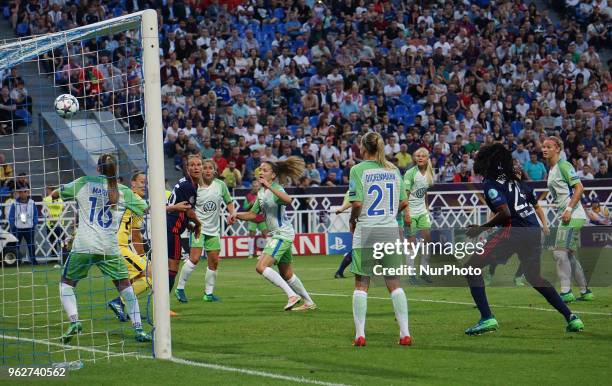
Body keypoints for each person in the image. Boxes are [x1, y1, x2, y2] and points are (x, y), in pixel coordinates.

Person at [464, 144, 583, 335]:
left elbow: (504, 213)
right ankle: (571, 317)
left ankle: (487, 318)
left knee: (470, 268)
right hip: (532, 229)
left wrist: (480, 229)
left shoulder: (490, 183)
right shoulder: (512, 179)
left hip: (513, 230)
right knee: (535, 277)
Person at [53, 154, 151, 343]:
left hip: (84, 245)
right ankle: (138, 329)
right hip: (109, 247)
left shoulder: (84, 182)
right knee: (125, 287)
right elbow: (145, 208)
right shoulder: (123, 191)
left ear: (98, 169)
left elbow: (57, 194)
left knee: (66, 283)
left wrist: (56, 193)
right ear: (116, 170)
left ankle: (74, 320)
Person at [348, 132, 411, 346]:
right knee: (394, 284)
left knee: (361, 285)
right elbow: (404, 202)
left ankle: (360, 334)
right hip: (390, 231)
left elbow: (356, 203)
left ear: (362, 147)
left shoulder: (357, 170)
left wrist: (352, 220)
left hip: (366, 230)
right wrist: (389, 215)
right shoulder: (393, 170)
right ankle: (404, 333)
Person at [235, 157, 316, 311]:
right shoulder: (260, 193)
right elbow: (253, 214)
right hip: (279, 234)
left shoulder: (277, 188)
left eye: (265, 170)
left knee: (261, 266)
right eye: (260, 169)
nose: (261, 172)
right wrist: (235, 215)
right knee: (287, 274)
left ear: (273, 175)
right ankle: (309, 302)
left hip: (281, 233)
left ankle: (292, 296)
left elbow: (288, 200)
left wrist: (270, 186)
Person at [175, 159, 236, 303]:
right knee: (194, 259)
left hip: (214, 230)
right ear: (202, 170)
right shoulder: (195, 187)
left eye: (211, 168)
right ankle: (180, 288)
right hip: (198, 228)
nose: (208, 170)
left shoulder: (220, 185)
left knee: (214, 261)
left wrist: (232, 213)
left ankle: (208, 294)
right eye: (205, 168)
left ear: (215, 171)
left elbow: (229, 202)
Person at [542, 137, 593, 302]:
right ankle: (585, 292)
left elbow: (579, 187)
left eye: (548, 147)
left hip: (573, 215)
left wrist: (569, 209)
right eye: (543, 147)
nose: (544, 149)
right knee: (568, 255)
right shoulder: (552, 168)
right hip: (566, 216)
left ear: (557, 149)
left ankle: (566, 292)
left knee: (559, 253)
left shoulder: (564, 165)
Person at [485, 167, 550, 287]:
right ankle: (490, 274)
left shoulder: (527, 189)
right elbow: (496, 209)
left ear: (522, 175)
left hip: (526, 229)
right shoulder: (504, 189)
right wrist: (490, 223)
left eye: (518, 173)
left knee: (529, 256)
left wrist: (544, 224)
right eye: (514, 173)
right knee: (496, 254)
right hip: (509, 228)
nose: (517, 175)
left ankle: (518, 276)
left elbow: (537, 207)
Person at [107, 171, 153, 322]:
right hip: (118, 246)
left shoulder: (124, 197)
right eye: (141, 181)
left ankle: (131, 311)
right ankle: (120, 302)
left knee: (134, 279)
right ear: (132, 183)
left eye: (145, 182)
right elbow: (135, 235)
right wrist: (144, 258)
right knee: (151, 275)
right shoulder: (136, 201)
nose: (144, 185)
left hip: (111, 245)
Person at [166, 154, 203, 316]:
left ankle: (121, 301)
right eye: (192, 165)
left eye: (198, 165)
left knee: (163, 269)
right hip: (171, 230)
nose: (196, 167)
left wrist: (188, 224)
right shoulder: (189, 187)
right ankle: (162, 306)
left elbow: (182, 210)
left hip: (168, 227)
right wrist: (198, 224)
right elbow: (188, 210)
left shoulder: (185, 183)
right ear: (187, 168)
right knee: (172, 268)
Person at [403, 148, 434, 283]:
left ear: (427, 158)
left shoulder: (429, 173)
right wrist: (407, 214)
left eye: (423, 156)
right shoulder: (410, 173)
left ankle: (424, 271)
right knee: (411, 243)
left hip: (422, 212)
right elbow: (405, 196)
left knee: (427, 240)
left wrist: (426, 207)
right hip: (411, 211)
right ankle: (411, 275)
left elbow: (425, 192)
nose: (420, 158)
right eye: (417, 156)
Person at [8, 186, 38, 265]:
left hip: (30, 227)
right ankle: (16, 261)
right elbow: (11, 216)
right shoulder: (14, 203)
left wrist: (34, 223)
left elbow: (35, 214)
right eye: (20, 192)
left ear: (27, 193)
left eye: (24, 192)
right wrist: (13, 226)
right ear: (18, 193)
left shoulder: (32, 202)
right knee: (16, 246)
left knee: (31, 246)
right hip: (18, 228)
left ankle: (33, 261)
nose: (22, 194)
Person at [242, 180, 268, 259]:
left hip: (262, 218)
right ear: (252, 187)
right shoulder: (248, 196)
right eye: (254, 186)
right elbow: (244, 207)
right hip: (252, 218)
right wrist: (250, 204)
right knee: (251, 234)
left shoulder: (263, 195)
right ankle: (250, 254)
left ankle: (264, 253)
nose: (255, 188)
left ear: (259, 187)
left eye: (257, 186)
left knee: (264, 234)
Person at [43, 186, 64, 262]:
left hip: (55, 223)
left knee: (57, 241)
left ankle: (59, 256)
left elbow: (62, 207)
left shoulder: (47, 199)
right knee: (55, 241)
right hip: (54, 223)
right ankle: (59, 256)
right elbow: (62, 208)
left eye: (47, 190)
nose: (46, 191)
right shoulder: (58, 199)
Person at [333, 190, 352, 279]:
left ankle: (340, 271)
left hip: (362, 220)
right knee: (359, 248)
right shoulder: (354, 189)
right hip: (358, 220)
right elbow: (351, 202)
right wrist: (342, 209)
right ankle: (339, 271)